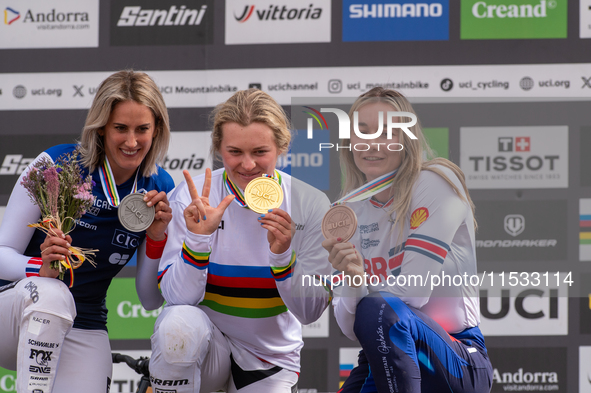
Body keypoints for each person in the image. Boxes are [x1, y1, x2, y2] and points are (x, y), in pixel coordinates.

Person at [0, 70, 175, 393]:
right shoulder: (56, 163)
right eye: (120, 128)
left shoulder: (158, 188)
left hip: (84, 321)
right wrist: (40, 268)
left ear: (158, 130)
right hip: (13, 311)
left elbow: (150, 299)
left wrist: (156, 238)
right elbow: (1, 255)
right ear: (101, 128)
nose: (132, 141)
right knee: (53, 293)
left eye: (143, 129)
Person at [149, 88, 332, 392]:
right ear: (219, 149)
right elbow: (176, 300)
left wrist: (283, 259)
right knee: (177, 324)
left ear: (281, 147)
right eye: (235, 152)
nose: (247, 165)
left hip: (269, 357)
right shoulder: (193, 198)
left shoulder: (310, 204)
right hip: (208, 348)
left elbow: (310, 312)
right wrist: (198, 241)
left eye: (260, 152)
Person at [323, 88, 493, 392]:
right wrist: (352, 279)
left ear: (406, 139)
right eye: (362, 131)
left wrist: (366, 290)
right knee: (374, 311)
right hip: (384, 355)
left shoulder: (434, 181)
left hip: (456, 359)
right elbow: (351, 329)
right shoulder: (347, 210)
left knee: (377, 307)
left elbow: (412, 291)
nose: (372, 143)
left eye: (387, 131)